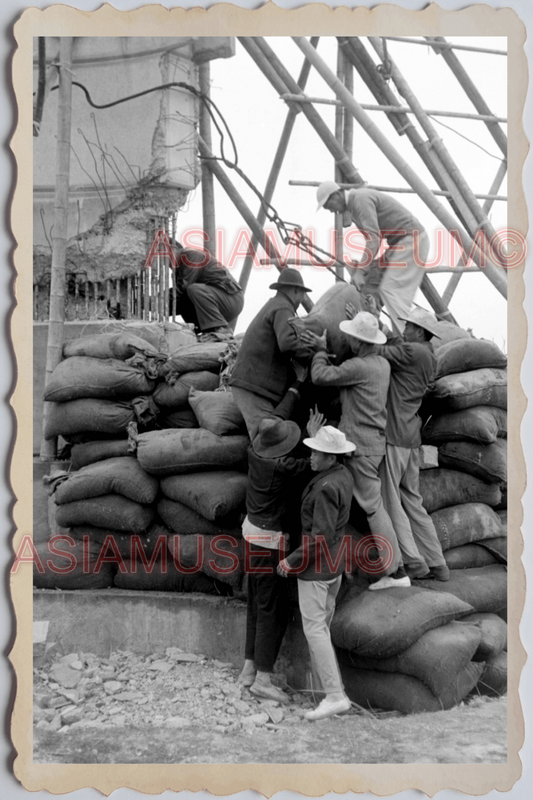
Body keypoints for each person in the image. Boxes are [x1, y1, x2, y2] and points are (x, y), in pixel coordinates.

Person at [307, 311, 410, 590]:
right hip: (371, 444)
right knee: (368, 504)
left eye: (353, 337)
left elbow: (320, 376)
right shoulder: (381, 365)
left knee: (372, 507)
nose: (349, 341)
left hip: (359, 448)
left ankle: (395, 571)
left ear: (361, 342)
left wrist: (319, 351)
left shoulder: (359, 366)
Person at [277, 425, 355, 721]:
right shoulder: (342, 476)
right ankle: (326, 690)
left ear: (331, 458)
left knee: (315, 630)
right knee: (321, 626)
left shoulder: (325, 488)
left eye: (316, 453)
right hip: (333, 566)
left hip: (316, 570)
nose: (311, 457)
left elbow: (319, 537)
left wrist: (291, 561)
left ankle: (335, 696)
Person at [373, 304, 450, 581]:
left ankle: (413, 561)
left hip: (394, 436)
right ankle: (437, 562)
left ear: (419, 331)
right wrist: (383, 321)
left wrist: (373, 325)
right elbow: (398, 344)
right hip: (410, 437)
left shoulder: (411, 352)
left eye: (408, 326)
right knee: (413, 502)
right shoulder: (429, 354)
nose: (404, 329)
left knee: (390, 499)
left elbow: (378, 350)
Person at [239, 416, 311, 702]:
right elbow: (311, 466)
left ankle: (248, 669)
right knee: (272, 609)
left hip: (250, 536)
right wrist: (312, 438)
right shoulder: (281, 466)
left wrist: (295, 388)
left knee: (257, 604)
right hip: (268, 543)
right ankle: (264, 679)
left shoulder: (253, 453)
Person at [316, 181, 430, 334]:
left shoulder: (360, 200)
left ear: (336, 194)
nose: (331, 211)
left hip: (412, 240)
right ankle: (374, 332)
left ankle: (405, 340)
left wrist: (361, 270)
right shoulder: (354, 208)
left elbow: (374, 240)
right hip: (398, 244)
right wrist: (362, 269)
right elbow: (373, 242)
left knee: (391, 290)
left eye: (328, 205)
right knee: (373, 283)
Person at [230, 268, 315, 439]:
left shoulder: (275, 304)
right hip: (254, 388)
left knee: (269, 440)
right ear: (295, 290)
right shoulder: (283, 307)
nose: (300, 300)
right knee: (267, 443)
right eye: (301, 294)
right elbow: (287, 343)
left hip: (252, 385)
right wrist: (315, 354)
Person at [169, 241, 244, 338]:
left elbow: (181, 289)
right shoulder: (178, 271)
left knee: (194, 289)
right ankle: (203, 331)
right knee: (185, 298)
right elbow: (177, 301)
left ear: (175, 248)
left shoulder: (190, 256)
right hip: (217, 300)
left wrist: (151, 301)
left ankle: (221, 329)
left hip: (231, 299)